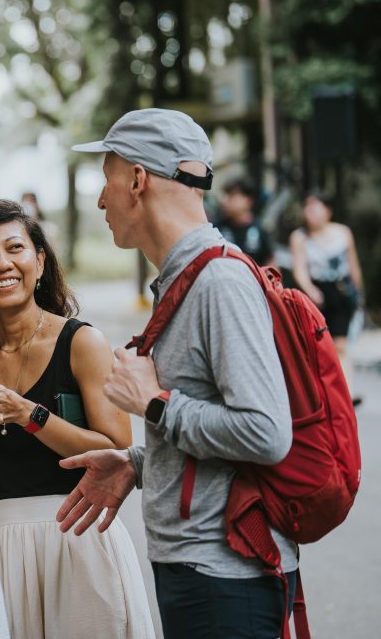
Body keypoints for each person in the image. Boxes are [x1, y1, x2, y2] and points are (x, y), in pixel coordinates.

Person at [60, 109, 294, 639]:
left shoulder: (218, 282)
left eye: (107, 180)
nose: (101, 200)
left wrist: (155, 405)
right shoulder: (185, 277)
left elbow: (265, 431)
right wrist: (137, 463)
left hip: (225, 576)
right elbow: (209, 426)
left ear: (138, 180)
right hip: (202, 571)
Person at [0, 199, 154, 639]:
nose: (2, 264)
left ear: (39, 260)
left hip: (77, 540)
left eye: (14, 248)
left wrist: (28, 413)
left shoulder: (81, 342)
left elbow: (115, 448)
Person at [289, 190, 364, 399]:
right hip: (317, 294)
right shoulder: (299, 237)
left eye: (315, 207)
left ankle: (346, 393)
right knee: (318, 345)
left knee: (341, 344)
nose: (309, 212)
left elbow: (353, 264)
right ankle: (322, 393)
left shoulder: (343, 232)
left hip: (341, 291)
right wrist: (311, 290)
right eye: (307, 207)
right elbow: (299, 269)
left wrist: (358, 292)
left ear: (328, 211)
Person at [215, 177, 273, 265]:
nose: (225, 201)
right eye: (226, 195)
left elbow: (270, 262)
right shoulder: (217, 229)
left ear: (248, 201)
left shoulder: (259, 230)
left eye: (232, 195)